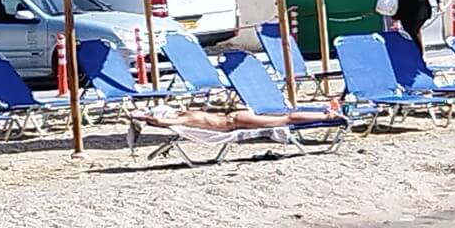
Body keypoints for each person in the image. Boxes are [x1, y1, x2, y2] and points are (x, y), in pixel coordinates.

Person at [131, 105, 344, 132]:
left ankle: (327, 115)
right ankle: (326, 113)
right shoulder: (185, 115)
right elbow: (162, 121)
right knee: (286, 117)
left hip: (237, 121)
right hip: (236, 118)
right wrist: (145, 116)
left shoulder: (184, 118)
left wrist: (145, 116)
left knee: (287, 119)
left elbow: (162, 121)